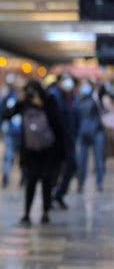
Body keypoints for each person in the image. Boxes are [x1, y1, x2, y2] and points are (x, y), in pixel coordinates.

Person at [5, 80, 64, 225]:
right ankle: (26, 213)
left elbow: (58, 122)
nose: (32, 95)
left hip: (48, 150)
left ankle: (45, 212)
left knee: (46, 181)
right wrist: (18, 102)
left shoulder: (49, 100)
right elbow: (6, 115)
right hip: (30, 151)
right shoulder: (24, 103)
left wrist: (42, 105)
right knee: (30, 182)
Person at [48, 72, 79, 209]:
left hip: (68, 140)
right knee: (55, 170)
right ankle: (50, 197)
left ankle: (57, 194)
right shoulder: (54, 95)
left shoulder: (70, 96)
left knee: (71, 166)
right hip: (58, 141)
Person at [76, 79, 105, 192]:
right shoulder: (77, 99)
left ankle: (99, 182)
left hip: (97, 132)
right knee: (82, 160)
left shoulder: (96, 98)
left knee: (98, 159)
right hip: (83, 133)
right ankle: (80, 183)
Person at [0, 73, 23, 188]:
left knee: (23, 158)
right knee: (8, 155)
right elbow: (2, 113)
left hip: (24, 133)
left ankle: (24, 177)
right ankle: (6, 176)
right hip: (11, 132)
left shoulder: (26, 97)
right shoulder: (8, 96)